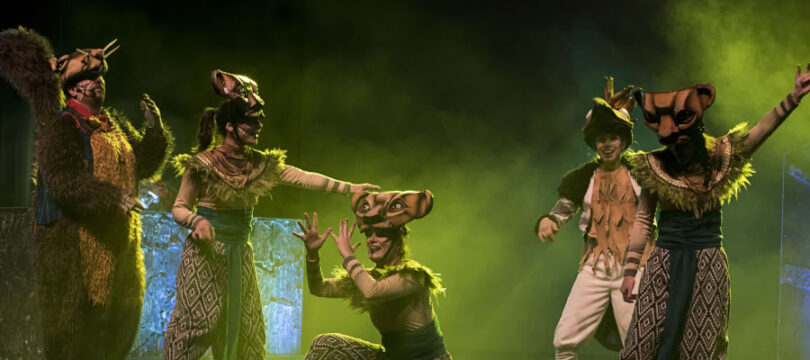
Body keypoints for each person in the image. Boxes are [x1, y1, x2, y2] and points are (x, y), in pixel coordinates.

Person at [164, 69, 378, 360]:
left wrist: (350, 188)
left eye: (259, 122)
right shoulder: (202, 163)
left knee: (247, 330)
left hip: (240, 254)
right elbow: (179, 206)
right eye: (251, 123)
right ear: (229, 126)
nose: (258, 128)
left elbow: (302, 177)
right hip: (205, 256)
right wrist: (196, 220)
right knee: (196, 326)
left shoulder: (259, 164)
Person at [0, 28, 173, 359]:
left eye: (100, 80)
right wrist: (111, 198)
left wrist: (154, 129)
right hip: (78, 244)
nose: (98, 84)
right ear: (74, 89)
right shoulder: (63, 126)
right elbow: (63, 178)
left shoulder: (112, 124)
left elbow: (143, 166)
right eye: (90, 80)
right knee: (78, 333)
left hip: (118, 243)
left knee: (118, 324)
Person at [619, 65, 810, 359]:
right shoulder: (654, 166)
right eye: (671, 142)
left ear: (696, 128)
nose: (677, 146)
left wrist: (794, 97)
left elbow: (761, 131)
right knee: (643, 345)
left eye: (683, 138)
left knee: (702, 347)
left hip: (708, 262)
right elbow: (644, 219)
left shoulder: (722, 154)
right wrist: (631, 271)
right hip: (664, 263)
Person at [535, 77, 654, 358]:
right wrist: (549, 220)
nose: (607, 144)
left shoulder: (643, 171)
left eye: (612, 138)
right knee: (565, 341)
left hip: (634, 268)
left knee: (638, 344)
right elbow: (563, 207)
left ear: (623, 141)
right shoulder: (583, 177)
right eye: (601, 139)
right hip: (595, 268)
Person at [295, 190, 451, 360]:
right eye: (369, 234)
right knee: (325, 344)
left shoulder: (413, 276)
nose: (372, 240)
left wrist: (348, 257)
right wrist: (312, 254)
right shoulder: (368, 278)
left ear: (399, 241)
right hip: (391, 357)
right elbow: (320, 288)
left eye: (381, 234)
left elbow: (373, 292)